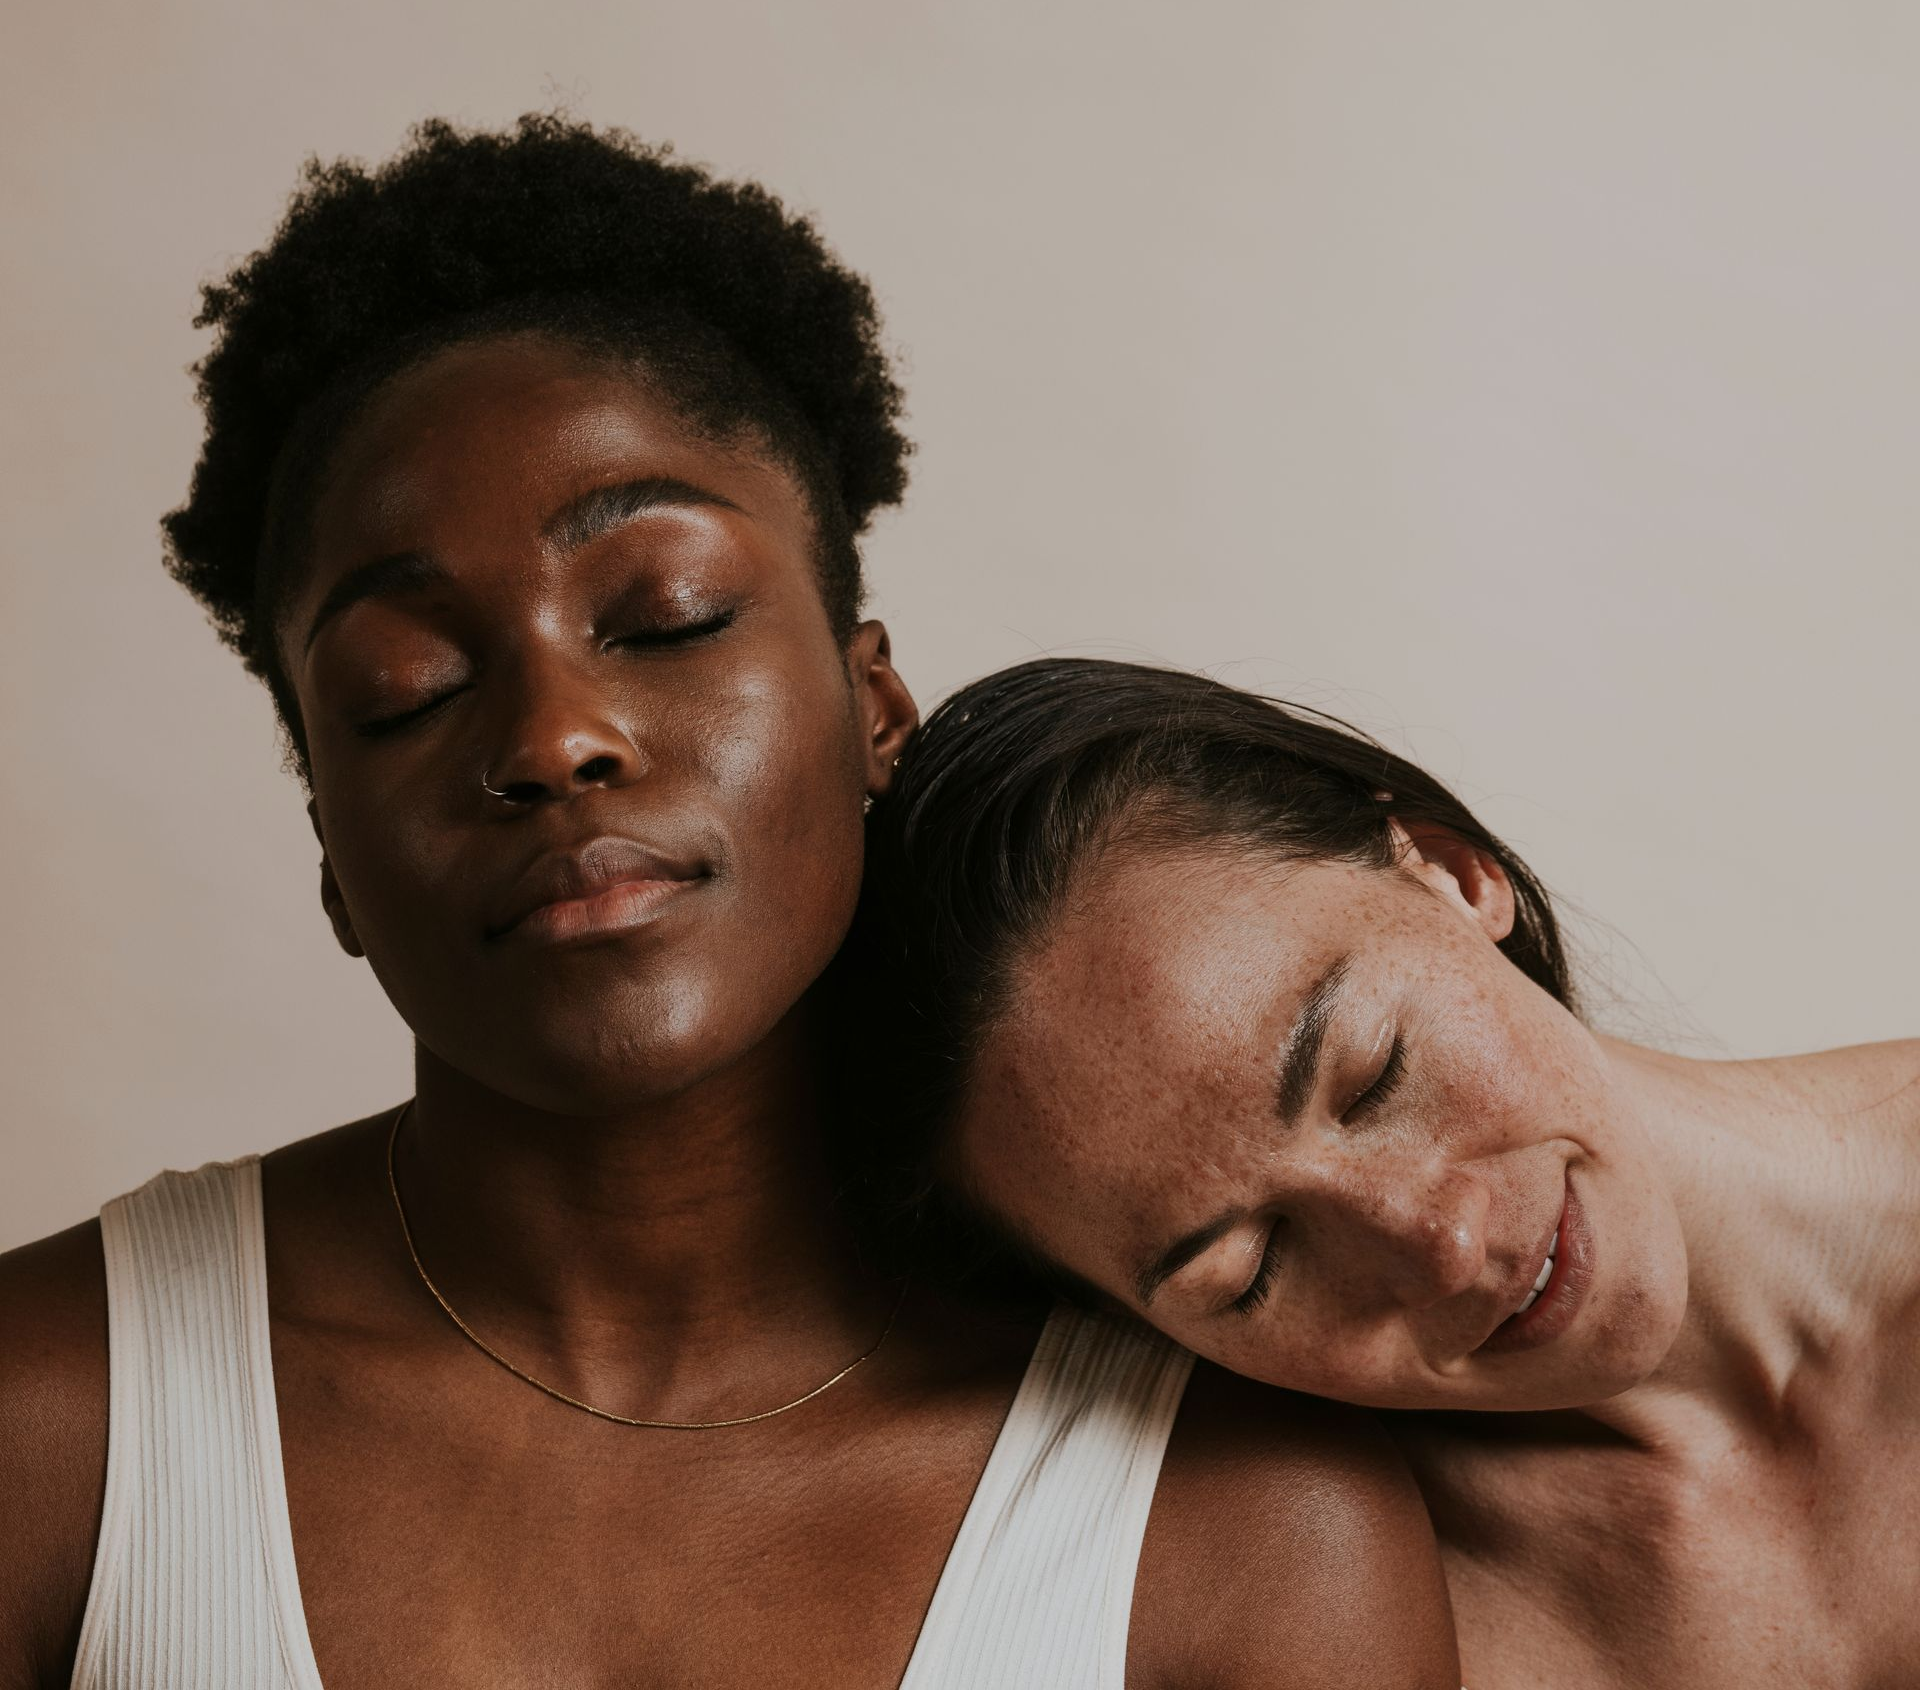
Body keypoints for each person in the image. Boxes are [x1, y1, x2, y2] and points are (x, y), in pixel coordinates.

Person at [0, 120, 1460, 1689]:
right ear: (331, 856)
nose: (552, 738)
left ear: (876, 705)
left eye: (665, 616)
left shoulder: (1242, 1515)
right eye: (403, 693)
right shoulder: (58, 1421)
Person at [851, 655, 1920, 1690]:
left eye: (1376, 1074)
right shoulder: (1319, 1622)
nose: (1440, 1245)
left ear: (1453, 871)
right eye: (1249, 1271)